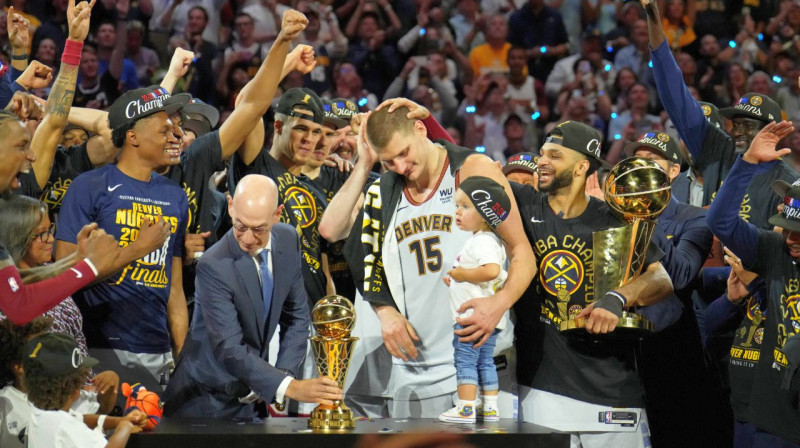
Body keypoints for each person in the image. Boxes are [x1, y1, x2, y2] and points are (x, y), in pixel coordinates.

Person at [343, 101, 535, 418]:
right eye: (389, 161)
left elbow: (521, 252)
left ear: (421, 129)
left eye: (404, 153)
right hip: (412, 375)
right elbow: (362, 256)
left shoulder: (471, 171)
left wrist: (499, 304)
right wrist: (384, 308)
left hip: (482, 363)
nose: (401, 166)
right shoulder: (386, 190)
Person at [510, 121, 673, 447]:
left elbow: (660, 279)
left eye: (554, 155)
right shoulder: (524, 206)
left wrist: (616, 298)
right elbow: (471, 171)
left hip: (611, 391)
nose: (542, 161)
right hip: (542, 390)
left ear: (583, 166)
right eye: (542, 153)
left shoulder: (610, 219)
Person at [163, 175, 342, 419]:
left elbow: (297, 317)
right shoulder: (214, 265)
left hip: (253, 397)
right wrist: (289, 386)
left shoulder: (288, 239)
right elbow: (229, 347)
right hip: (206, 399)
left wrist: (281, 376)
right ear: (230, 206)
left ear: (277, 215)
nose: (248, 238)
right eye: (240, 226)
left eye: (259, 229)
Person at [54, 84, 191, 395]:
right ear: (133, 137)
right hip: (98, 349)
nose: (175, 136)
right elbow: (64, 276)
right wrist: (138, 249)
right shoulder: (89, 187)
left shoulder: (175, 196)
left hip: (158, 349)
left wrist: (182, 355)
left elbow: (175, 288)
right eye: (164, 130)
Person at [0, 0, 122, 327]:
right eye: (21, 146)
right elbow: (18, 305)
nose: (29, 156)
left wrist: (75, 44)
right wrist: (90, 266)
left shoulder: (20, 189)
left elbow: (54, 120)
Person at [644, 0, 799, 229]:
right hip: (700, 263)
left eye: (749, 125)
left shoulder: (787, 181)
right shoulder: (719, 150)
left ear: (774, 132)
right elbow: (675, 93)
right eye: (736, 124)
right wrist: (654, 19)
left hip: (750, 265)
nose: (738, 131)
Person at [622, 131, 724, 447]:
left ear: (673, 171)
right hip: (622, 350)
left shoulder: (696, 218)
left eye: (651, 162)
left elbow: (680, 275)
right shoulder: (614, 215)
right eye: (637, 162)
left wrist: (644, 217)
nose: (641, 168)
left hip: (674, 351)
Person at [707, 120, 800, 446]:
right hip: (771, 417)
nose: (790, 238)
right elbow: (720, 221)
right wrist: (747, 164)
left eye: (798, 231)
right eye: (786, 227)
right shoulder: (776, 251)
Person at [0, 196, 121, 415]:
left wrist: (97, 385)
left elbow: (78, 354)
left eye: (50, 230)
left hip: (75, 406)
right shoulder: (7, 293)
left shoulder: (59, 286)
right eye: (40, 234)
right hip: (24, 412)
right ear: (17, 236)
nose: (50, 240)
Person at [438, 177, 510, 424]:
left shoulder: (482, 241)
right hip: (486, 319)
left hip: (471, 318)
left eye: (466, 207)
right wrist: (457, 279)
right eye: (457, 206)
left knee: (465, 360)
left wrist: (460, 274)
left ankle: (466, 407)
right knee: (484, 361)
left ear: (485, 214)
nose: (457, 211)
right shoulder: (489, 241)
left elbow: (489, 271)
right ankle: (489, 407)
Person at [22, 333, 146, 448]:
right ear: (74, 388)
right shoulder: (65, 426)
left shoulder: (37, 412)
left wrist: (121, 421)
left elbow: (82, 418)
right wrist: (124, 428)